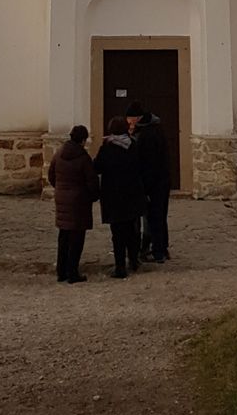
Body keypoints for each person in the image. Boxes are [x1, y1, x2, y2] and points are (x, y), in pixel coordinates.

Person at [93, 115, 146, 277]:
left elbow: (97, 167)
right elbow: (141, 167)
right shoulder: (134, 146)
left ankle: (120, 266)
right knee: (132, 230)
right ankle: (134, 260)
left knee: (117, 233)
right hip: (131, 194)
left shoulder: (107, 148)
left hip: (113, 196)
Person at [47, 125, 99, 284]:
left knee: (63, 236)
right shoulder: (83, 158)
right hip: (79, 201)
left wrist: (61, 189)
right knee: (77, 238)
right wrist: (93, 196)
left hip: (62, 198)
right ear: (83, 140)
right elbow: (92, 181)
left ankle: (61, 271)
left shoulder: (59, 154)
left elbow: (51, 175)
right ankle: (73, 272)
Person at [126, 101, 171, 263]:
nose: (129, 123)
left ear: (137, 118)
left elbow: (149, 164)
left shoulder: (147, 135)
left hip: (154, 183)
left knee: (154, 217)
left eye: (130, 120)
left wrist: (145, 187)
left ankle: (157, 251)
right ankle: (162, 248)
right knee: (160, 216)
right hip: (162, 181)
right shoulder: (155, 129)